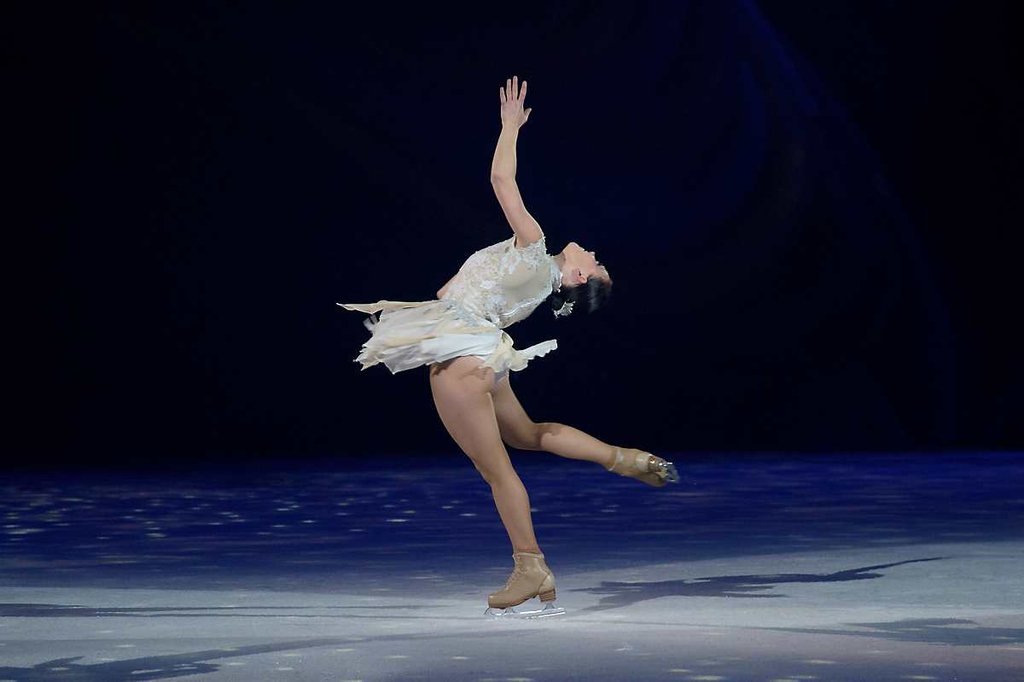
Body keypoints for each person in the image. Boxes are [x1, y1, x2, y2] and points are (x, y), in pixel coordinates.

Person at [339, 76, 679, 617]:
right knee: (526, 435)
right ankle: (623, 458)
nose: (592, 252)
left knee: (497, 471)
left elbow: (501, 179)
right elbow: (451, 292)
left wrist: (509, 127)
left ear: (577, 278)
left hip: (464, 358)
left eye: (595, 264)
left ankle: (530, 565)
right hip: (481, 352)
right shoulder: (535, 279)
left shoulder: (534, 249)